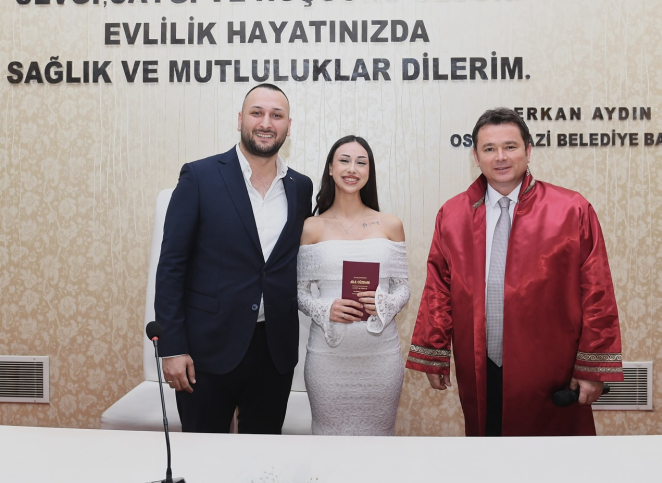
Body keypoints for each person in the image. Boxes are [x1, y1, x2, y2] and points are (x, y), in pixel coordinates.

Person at [406, 107, 623, 437]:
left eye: (510, 146)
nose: (500, 157)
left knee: (553, 457)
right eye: (489, 149)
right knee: (488, 454)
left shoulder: (571, 210)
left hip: (551, 366)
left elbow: (597, 292)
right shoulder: (453, 215)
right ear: (476, 157)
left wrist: (591, 367)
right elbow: (439, 288)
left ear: (528, 150)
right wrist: (434, 352)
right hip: (479, 366)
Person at [155, 83, 313, 434]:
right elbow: (171, 267)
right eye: (257, 113)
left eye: (277, 115)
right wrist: (172, 347)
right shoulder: (199, 177)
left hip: (274, 353)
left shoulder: (300, 187)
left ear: (288, 126)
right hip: (206, 350)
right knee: (203, 457)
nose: (266, 123)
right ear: (240, 119)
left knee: (263, 459)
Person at [296, 135, 410, 435]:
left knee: (378, 442)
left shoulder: (391, 224)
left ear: (369, 171)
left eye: (361, 162)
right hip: (327, 358)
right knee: (328, 443)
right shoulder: (311, 227)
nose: (352, 169)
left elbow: (403, 288)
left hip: (381, 359)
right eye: (344, 161)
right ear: (330, 168)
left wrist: (384, 303)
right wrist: (326, 309)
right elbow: (299, 292)